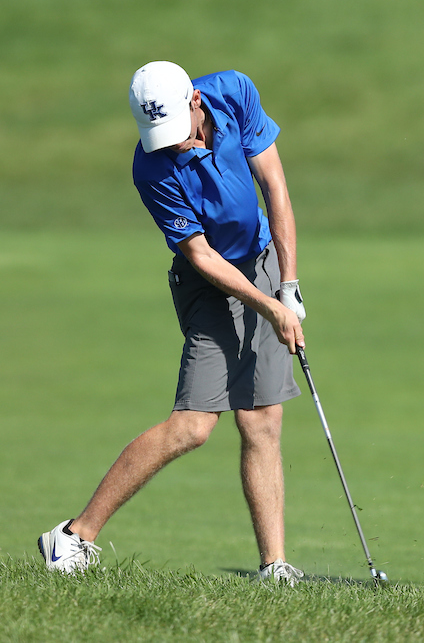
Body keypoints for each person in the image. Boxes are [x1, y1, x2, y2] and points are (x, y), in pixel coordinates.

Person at [38, 61, 308, 584]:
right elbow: (201, 256)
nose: (171, 145)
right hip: (209, 283)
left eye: (177, 132)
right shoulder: (151, 167)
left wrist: (288, 284)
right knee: (193, 426)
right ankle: (72, 537)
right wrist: (269, 306)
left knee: (262, 420)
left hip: (261, 262)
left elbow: (274, 186)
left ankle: (274, 567)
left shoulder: (233, 92)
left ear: (195, 103)